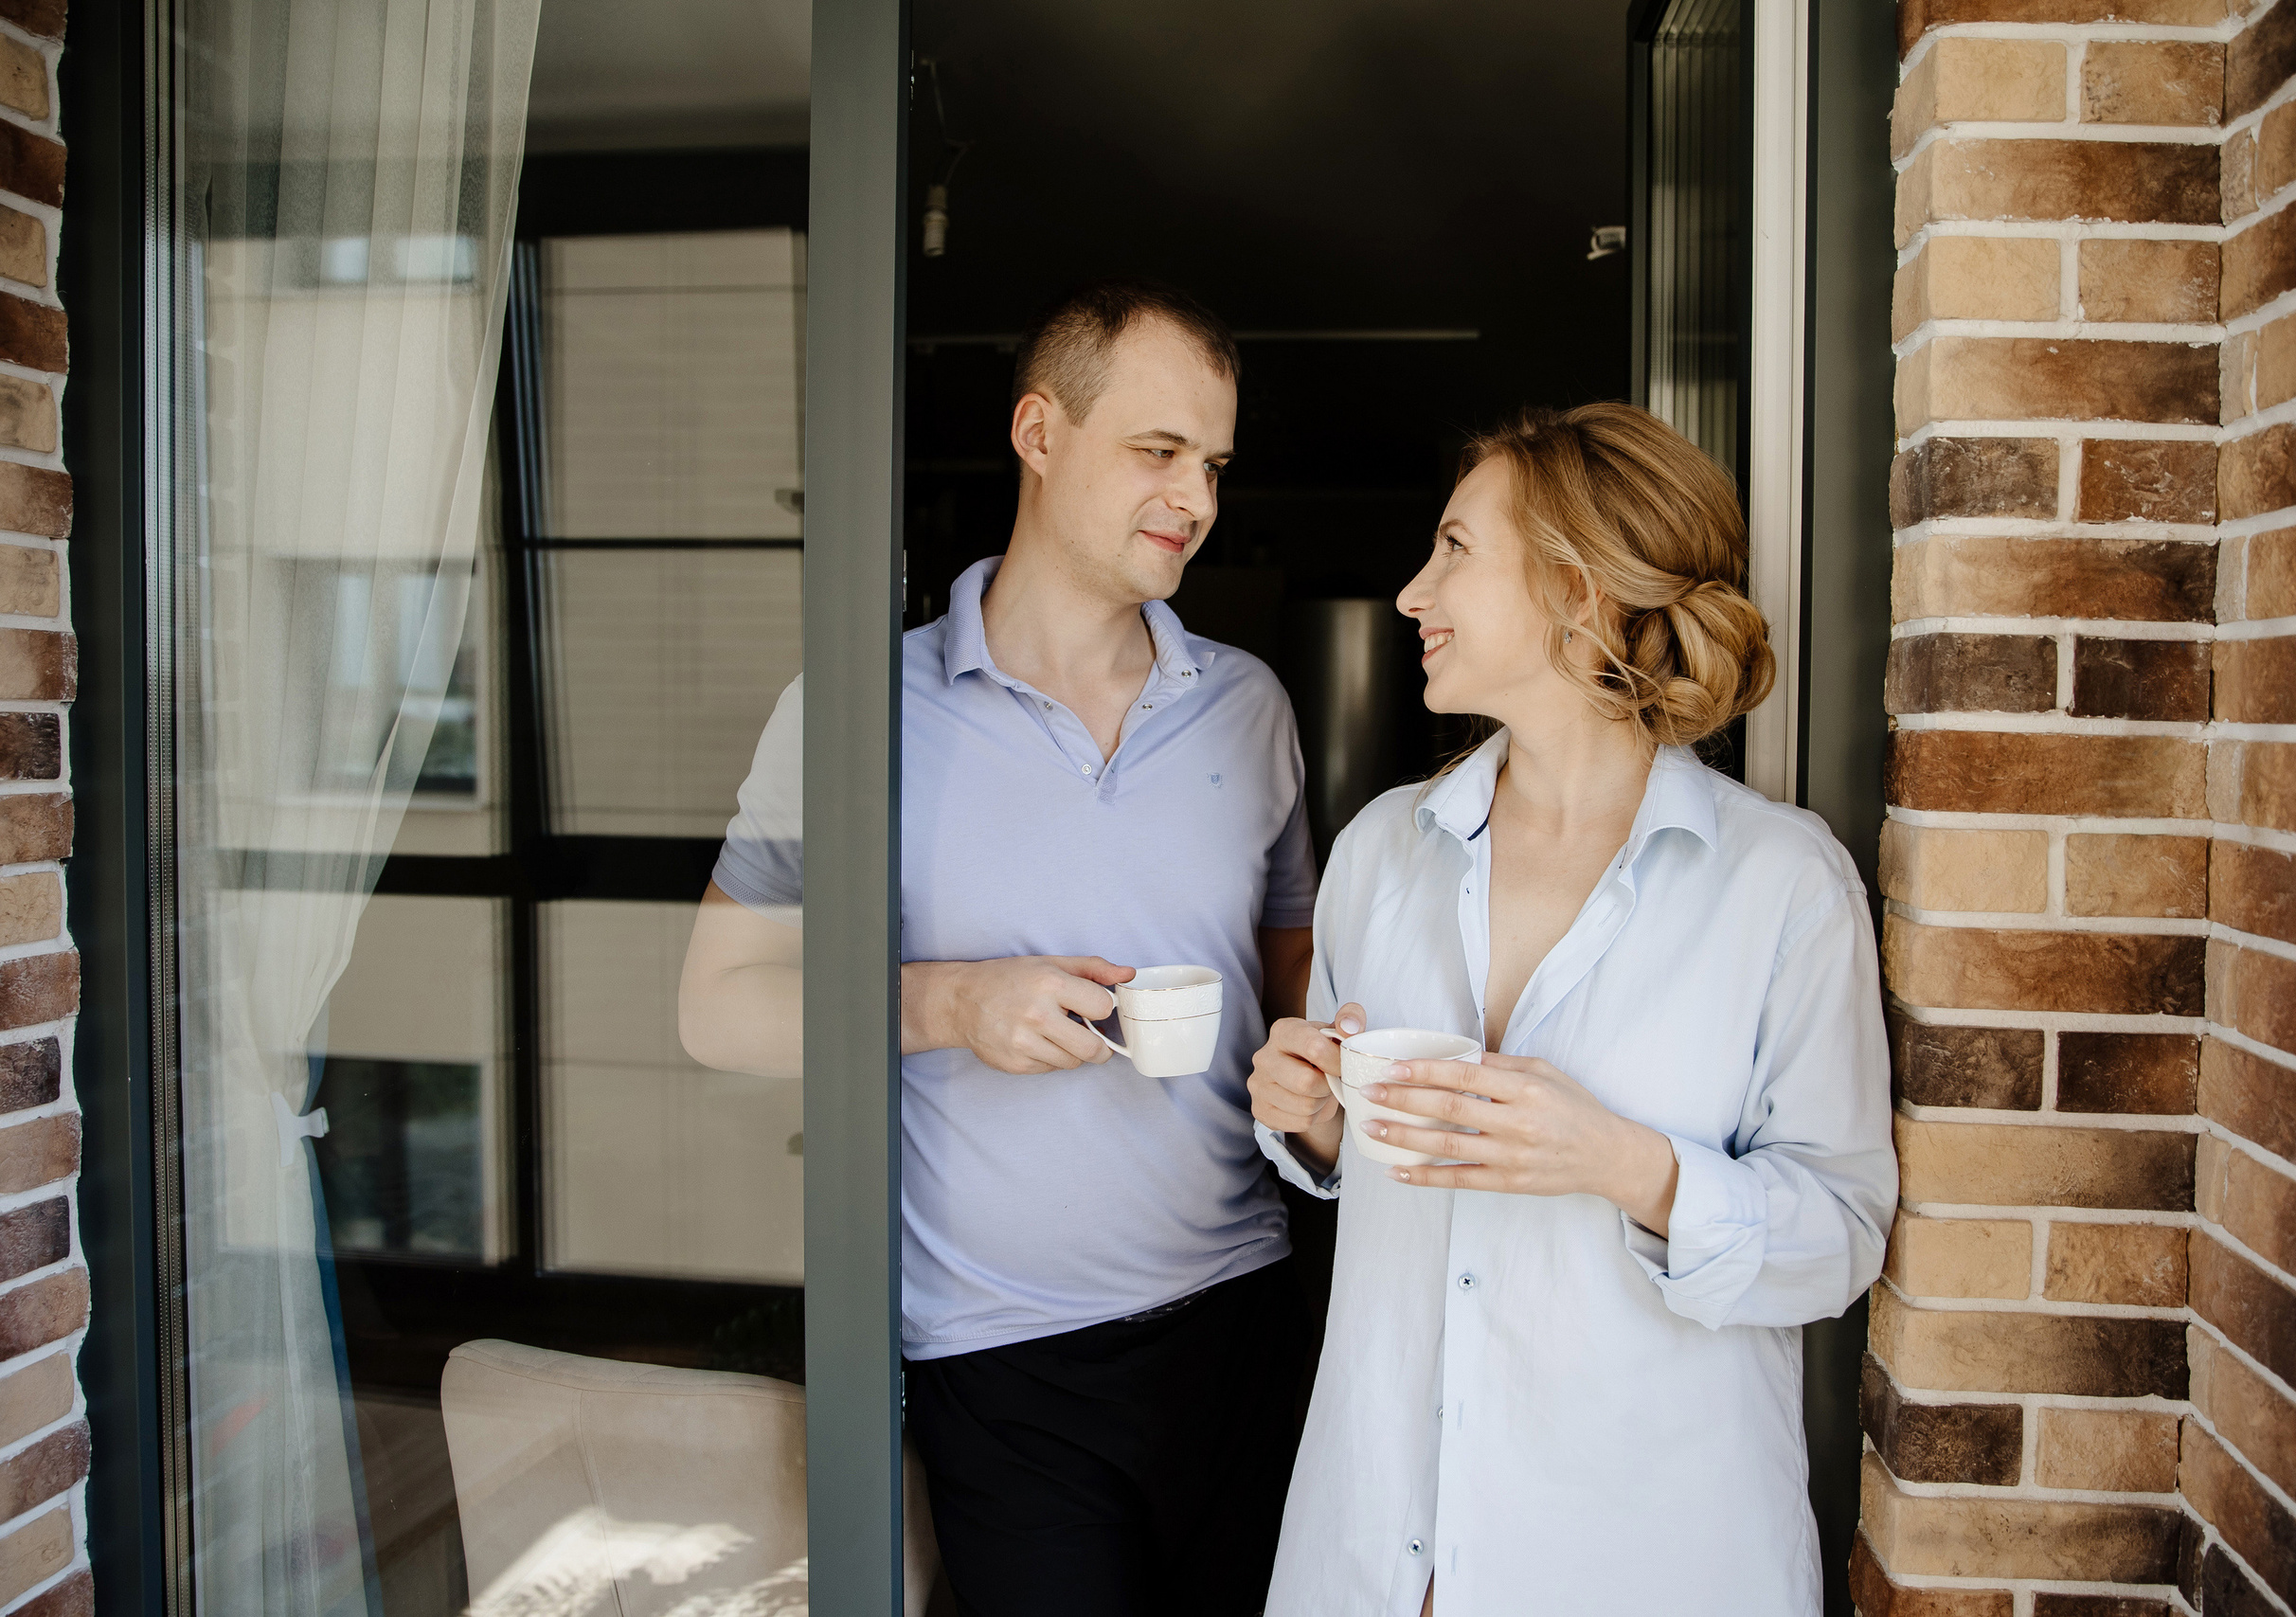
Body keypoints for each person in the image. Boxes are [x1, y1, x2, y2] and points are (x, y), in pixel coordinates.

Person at [679, 280, 1318, 1617]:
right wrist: (952, 1000)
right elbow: (718, 1010)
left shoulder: (1250, 706)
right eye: (1157, 452)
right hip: (1005, 1366)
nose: (1194, 498)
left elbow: (1287, 996)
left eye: (1212, 464)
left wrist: (1324, 1098)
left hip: (1248, 1327)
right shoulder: (852, 710)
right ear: (1039, 430)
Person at [1246, 403, 1895, 1615]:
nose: (1410, 592)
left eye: (1453, 549)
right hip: (1381, 1549)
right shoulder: (1383, 850)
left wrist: (1624, 1165)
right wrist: (1310, 1116)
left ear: (1578, 591)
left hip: (1645, 1556)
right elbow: (1341, 1142)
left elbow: (1841, 1233)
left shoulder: (1781, 884)